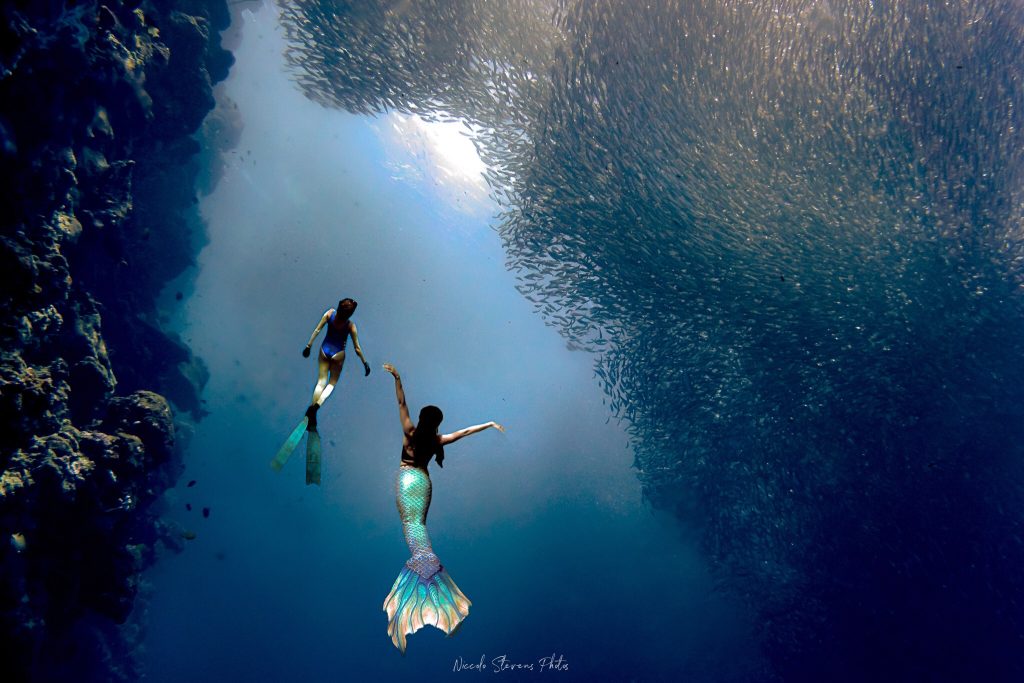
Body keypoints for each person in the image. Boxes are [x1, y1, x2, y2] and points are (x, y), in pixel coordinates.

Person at [381, 363, 504, 653]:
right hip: (423, 482)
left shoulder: (410, 432)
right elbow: (464, 432)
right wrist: (488, 423)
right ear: (437, 423)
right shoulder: (437, 440)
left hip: (407, 478)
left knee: (412, 530)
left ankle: (424, 583)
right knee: (417, 527)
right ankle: (431, 586)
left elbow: (401, 402)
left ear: (423, 419)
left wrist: (398, 377)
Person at [301, 297, 369, 431]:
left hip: (324, 350)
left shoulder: (329, 313)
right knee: (331, 383)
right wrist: (365, 362)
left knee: (321, 381)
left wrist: (308, 346)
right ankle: (315, 408)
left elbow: (317, 330)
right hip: (338, 354)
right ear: (350, 314)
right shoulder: (350, 326)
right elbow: (357, 348)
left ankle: (311, 408)